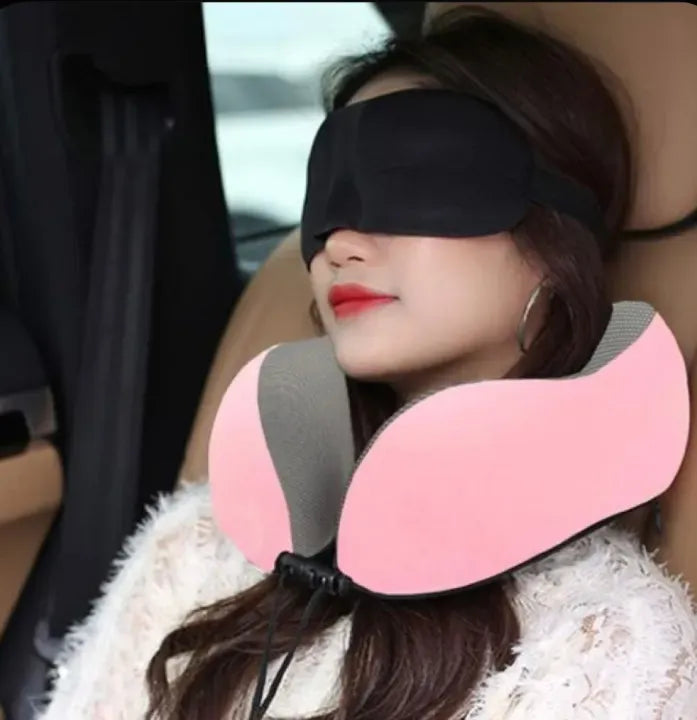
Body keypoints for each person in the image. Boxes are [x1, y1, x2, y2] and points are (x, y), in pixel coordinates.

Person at [37, 6, 697, 720]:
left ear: (554, 239)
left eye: (412, 178)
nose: (338, 244)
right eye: (327, 191)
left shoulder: (600, 642)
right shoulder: (202, 544)